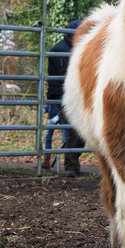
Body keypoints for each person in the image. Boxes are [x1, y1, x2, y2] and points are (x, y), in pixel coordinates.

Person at [42, 20, 82, 171]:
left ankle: (72, 166)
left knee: (77, 132)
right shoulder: (60, 50)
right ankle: (70, 167)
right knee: (71, 131)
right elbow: (62, 76)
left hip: (75, 96)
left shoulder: (77, 48)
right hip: (64, 96)